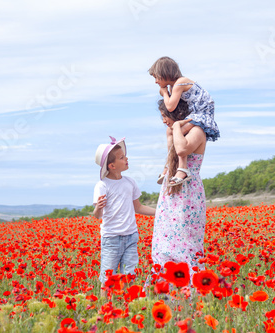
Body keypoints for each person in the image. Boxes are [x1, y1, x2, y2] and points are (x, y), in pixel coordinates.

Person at [151, 99, 207, 279]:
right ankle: (164, 290)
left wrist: (177, 126)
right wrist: (176, 126)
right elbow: (172, 144)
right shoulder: (172, 131)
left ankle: (189, 293)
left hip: (188, 193)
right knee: (164, 240)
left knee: (186, 241)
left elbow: (182, 149)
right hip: (170, 191)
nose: (163, 121)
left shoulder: (198, 131)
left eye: (164, 116)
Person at [93, 136, 156, 292]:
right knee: (108, 278)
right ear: (112, 165)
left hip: (131, 236)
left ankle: (128, 305)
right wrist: (98, 208)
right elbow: (97, 215)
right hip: (111, 238)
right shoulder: (102, 186)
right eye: (122, 157)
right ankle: (104, 308)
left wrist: (160, 212)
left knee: (129, 275)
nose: (126, 158)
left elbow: (139, 207)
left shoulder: (130, 182)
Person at [149, 56, 219, 187]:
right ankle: (168, 166)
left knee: (178, 133)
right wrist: (165, 91)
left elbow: (170, 106)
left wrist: (164, 93)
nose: (156, 82)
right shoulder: (174, 87)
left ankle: (182, 169)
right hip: (194, 113)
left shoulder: (180, 83)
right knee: (170, 132)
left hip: (201, 113)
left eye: (156, 77)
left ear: (165, 73)